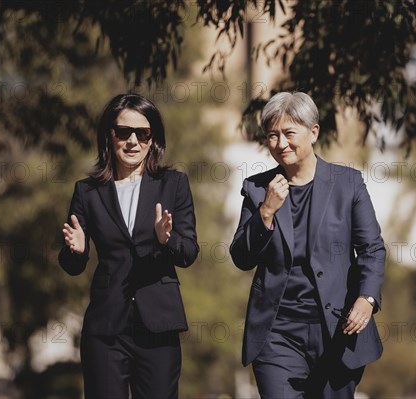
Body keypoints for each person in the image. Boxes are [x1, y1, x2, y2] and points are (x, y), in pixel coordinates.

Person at [230, 92, 385, 398]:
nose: (280, 143)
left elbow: (372, 250)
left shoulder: (348, 184)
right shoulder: (257, 189)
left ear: (314, 132)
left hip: (337, 329)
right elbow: (242, 257)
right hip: (277, 333)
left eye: (289, 133)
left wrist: (366, 299)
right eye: (272, 135)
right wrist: (266, 213)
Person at [58, 93, 199, 399]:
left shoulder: (174, 184)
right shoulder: (87, 191)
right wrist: (77, 251)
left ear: (153, 139)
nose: (133, 141)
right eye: (124, 132)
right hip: (106, 328)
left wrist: (167, 239)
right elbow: (71, 264)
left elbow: (189, 253)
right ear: (109, 136)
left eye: (143, 133)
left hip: (158, 326)